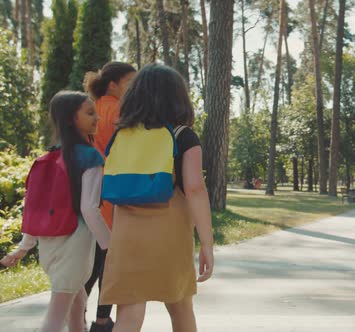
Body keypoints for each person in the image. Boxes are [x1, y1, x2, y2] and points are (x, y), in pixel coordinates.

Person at [100, 64, 214, 332]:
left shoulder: (123, 135)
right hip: (169, 232)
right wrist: (207, 243)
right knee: (181, 308)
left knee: (129, 315)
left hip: (127, 233)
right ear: (178, 97)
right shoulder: (183, 135)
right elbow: (196, 189)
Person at [0, 91, 111, 332]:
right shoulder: (90, 157)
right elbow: (89, 209)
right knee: (55, 317)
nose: (97, 119)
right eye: (90, 113)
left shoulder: (47, 157)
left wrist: (23, 248)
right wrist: (111, 246)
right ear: (72, 119)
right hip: (76, 244)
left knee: (77, 302)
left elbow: (35, 209)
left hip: (49, 247)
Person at [83, 61, 136, 332]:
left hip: (91, 194)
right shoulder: (118, 110)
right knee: (107, 264)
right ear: (113, 84)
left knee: (92, 263)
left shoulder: (93, 108)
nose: (133, 88)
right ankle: (102, 320)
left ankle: (76, 314)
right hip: (111, 195)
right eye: (129, 82)